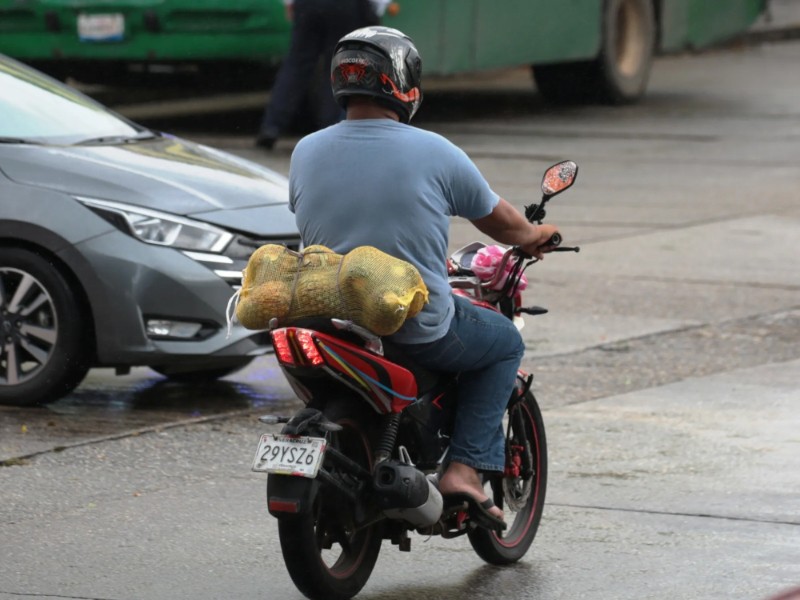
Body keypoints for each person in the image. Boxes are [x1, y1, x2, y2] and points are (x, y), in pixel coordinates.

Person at [287, 26, 561, 529]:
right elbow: (499, 220)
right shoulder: (434, 151)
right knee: (501, 342)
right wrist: (533, 235)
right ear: (403, 84)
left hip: (328, 315)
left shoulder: (305, 150)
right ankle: (463, 470)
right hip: (410, 322)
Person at [255, 0, 390, 149]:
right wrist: (376, 9)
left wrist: (289, 2)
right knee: (339, 66)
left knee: (296, 65)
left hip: (308, 5)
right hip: (348, 7)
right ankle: (329, 130)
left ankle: (272, 127)